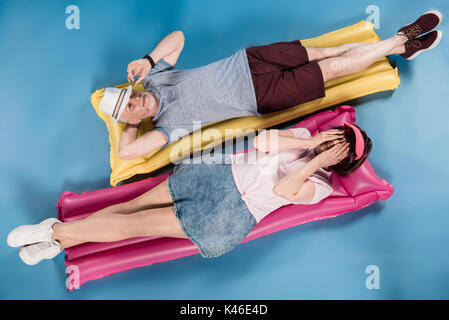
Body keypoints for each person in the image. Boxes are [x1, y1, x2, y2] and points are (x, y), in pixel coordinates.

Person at [96, 11, 442, 160]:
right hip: (264, 96)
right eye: (129, 106)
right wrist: (126, 124)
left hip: (251, 60)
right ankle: (402, 39)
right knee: (334, 67)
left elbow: (178, 37)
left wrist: (149, 60)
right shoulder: (165, 128)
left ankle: (401, 47)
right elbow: (126, 152)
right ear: (130, 120)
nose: (136, 100)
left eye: (130, 95)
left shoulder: (156, 77)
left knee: (329, 49)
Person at [8, 123, 372, 264]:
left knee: (135, 226)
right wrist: (312, 143)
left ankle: (53, 233)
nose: (335, 140)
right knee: (129, 208)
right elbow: (262, 141)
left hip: (229, 214)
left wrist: (319, 161)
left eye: (342, 146)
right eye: (338, 134)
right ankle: (57, 239)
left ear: (342, 162)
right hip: (217, 174)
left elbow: (283, 189)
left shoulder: (321, 186)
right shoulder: (304, 140)